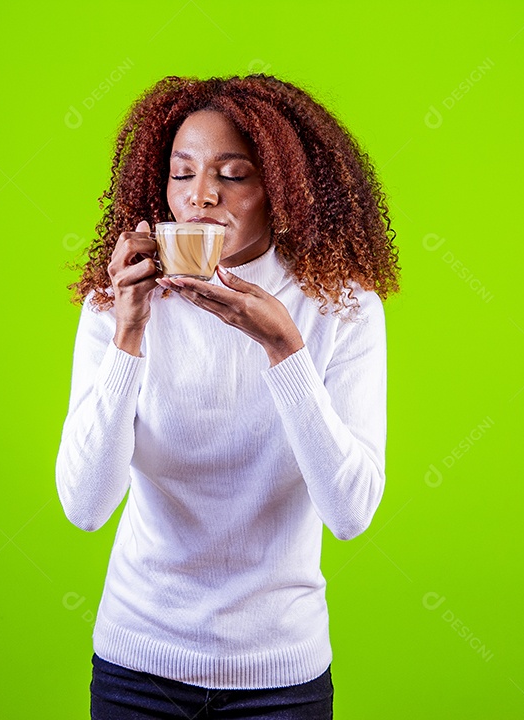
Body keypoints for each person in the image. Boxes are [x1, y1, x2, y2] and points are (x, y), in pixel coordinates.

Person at [55, 73, 401, 719]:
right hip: (139, 665)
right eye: (181, 174)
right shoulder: (117, 303)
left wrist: (284, 351)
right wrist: (130, 330)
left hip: (280, 675)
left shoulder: (342, 307)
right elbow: (85, 506)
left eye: (233, 174)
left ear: (284, 189)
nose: (202, 196)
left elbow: (350, 514)